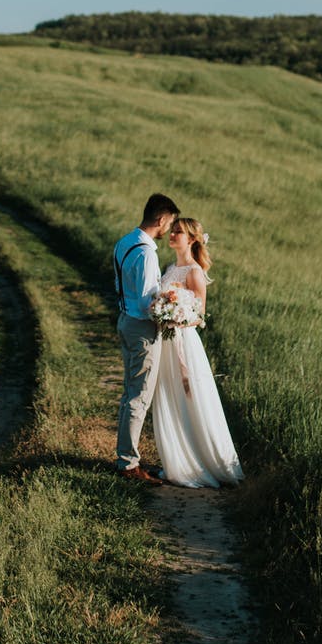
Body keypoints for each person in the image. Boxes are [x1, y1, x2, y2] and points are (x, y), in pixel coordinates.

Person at [149, 216, 244, 488]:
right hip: (164, 343)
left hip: (183, 343)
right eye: (173, 230)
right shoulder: (169, 269)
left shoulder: (194, 272)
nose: (172, 235)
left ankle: (206, 463)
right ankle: (176, 462)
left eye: (178, 232)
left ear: (191, 239)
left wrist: (175, 316)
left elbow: (200, 316)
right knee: (169, 398)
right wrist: (161, 310)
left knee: (191, 399)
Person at [114, 193, 178, 483]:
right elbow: (146, 302)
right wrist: (169, 311)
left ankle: (125, 457)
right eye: (170, 223)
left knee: (130, 392)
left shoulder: (125, 241)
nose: (169, 229)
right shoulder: (147, 253)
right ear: (161, 219)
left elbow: (121, 285)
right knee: (139, 396)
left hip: (125, 320)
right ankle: (128, 464)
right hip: (141, 328)